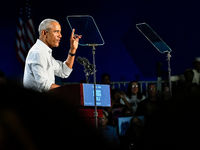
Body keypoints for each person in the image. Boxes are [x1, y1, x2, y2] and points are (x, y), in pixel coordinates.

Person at [23, 19, 82, 92]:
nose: (60, 35)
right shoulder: (37, 53)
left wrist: (73, 49)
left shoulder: (45, 52)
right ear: (44, 33)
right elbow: (44, 85)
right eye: (56, 32)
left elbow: (64, 71)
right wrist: (68, 92)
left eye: (60, 32)